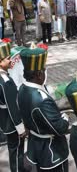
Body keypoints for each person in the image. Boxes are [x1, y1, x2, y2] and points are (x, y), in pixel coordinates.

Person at [18, 46, 70, 171]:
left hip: (36, 145)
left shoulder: (22, 89)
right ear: (39, 74)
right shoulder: (41, 99)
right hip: (51, 152)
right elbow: (59, 128)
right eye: (44, 70)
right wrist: (65, 116)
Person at [0, 41, 27, 172]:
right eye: (7, 58)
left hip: (5, 122)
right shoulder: (6, 82)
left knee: (14, 149)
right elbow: (12, 107)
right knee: (16, 150)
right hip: (12, 124)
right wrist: (20, 128)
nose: (11, 60)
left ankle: (20, 167)